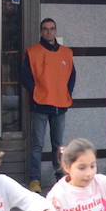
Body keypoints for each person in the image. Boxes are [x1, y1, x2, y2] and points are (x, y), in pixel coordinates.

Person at [21, 17, 75, 191]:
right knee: (37, 145)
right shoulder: (32, 52)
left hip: (60, 104)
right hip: (40, 104)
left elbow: (72, 77)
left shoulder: (66, 52)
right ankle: (34, 179)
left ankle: (60, 177)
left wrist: (66, 93)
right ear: (41, 31)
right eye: (45, 29)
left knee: (58, 145)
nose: (49, 32)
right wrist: (36, 92)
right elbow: (25, 78)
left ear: (55, 31)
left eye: (52, 28)